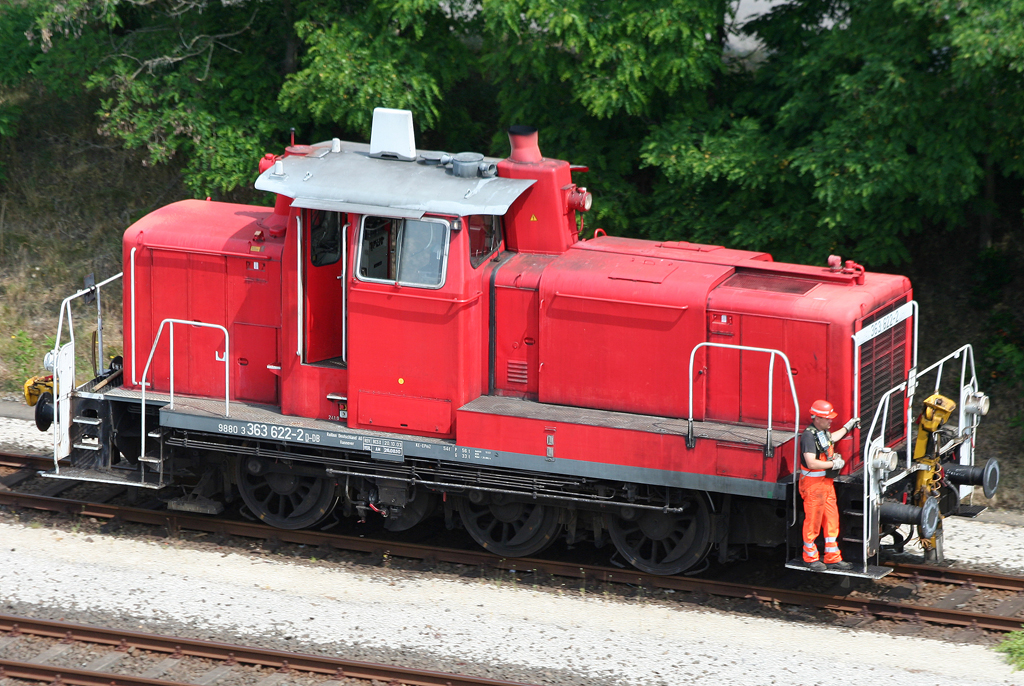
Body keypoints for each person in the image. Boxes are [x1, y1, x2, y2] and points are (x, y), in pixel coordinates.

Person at [799, 399, 859, 571]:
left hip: (825, 485)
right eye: (827, 418)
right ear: (817, 418)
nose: (830, 421)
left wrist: (848, 426)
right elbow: (811, 463)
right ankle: (810, 558)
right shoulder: (808, 436)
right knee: (813, 523)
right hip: (813, 486)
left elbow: (832, 438)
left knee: (832, 520)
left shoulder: (822, 433)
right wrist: (833, 464)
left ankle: (832, 557)